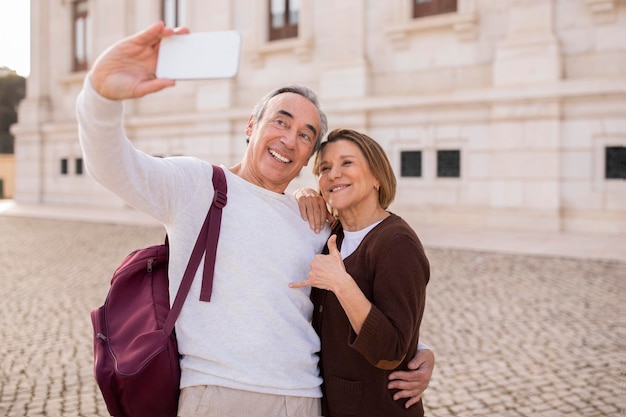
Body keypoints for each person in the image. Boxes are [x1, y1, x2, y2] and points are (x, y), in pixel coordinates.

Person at [76, 21, 433, 417]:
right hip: (218, 395)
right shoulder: (198, 185)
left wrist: (419, 351)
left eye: (305, 135)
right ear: (251, 125)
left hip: (305, 399)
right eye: (280, 121)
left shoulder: (314, 219)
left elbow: (366, 295)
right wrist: (100, 97)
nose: (289, 139)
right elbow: (115, 167)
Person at [290, 128, 430, 416]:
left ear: (377, 176)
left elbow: (392, 349)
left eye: (347, 163)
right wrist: (301, 193)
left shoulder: (396, 242)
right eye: (325, 168)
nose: (333, 174)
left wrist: (342, 285)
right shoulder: (335, 234)